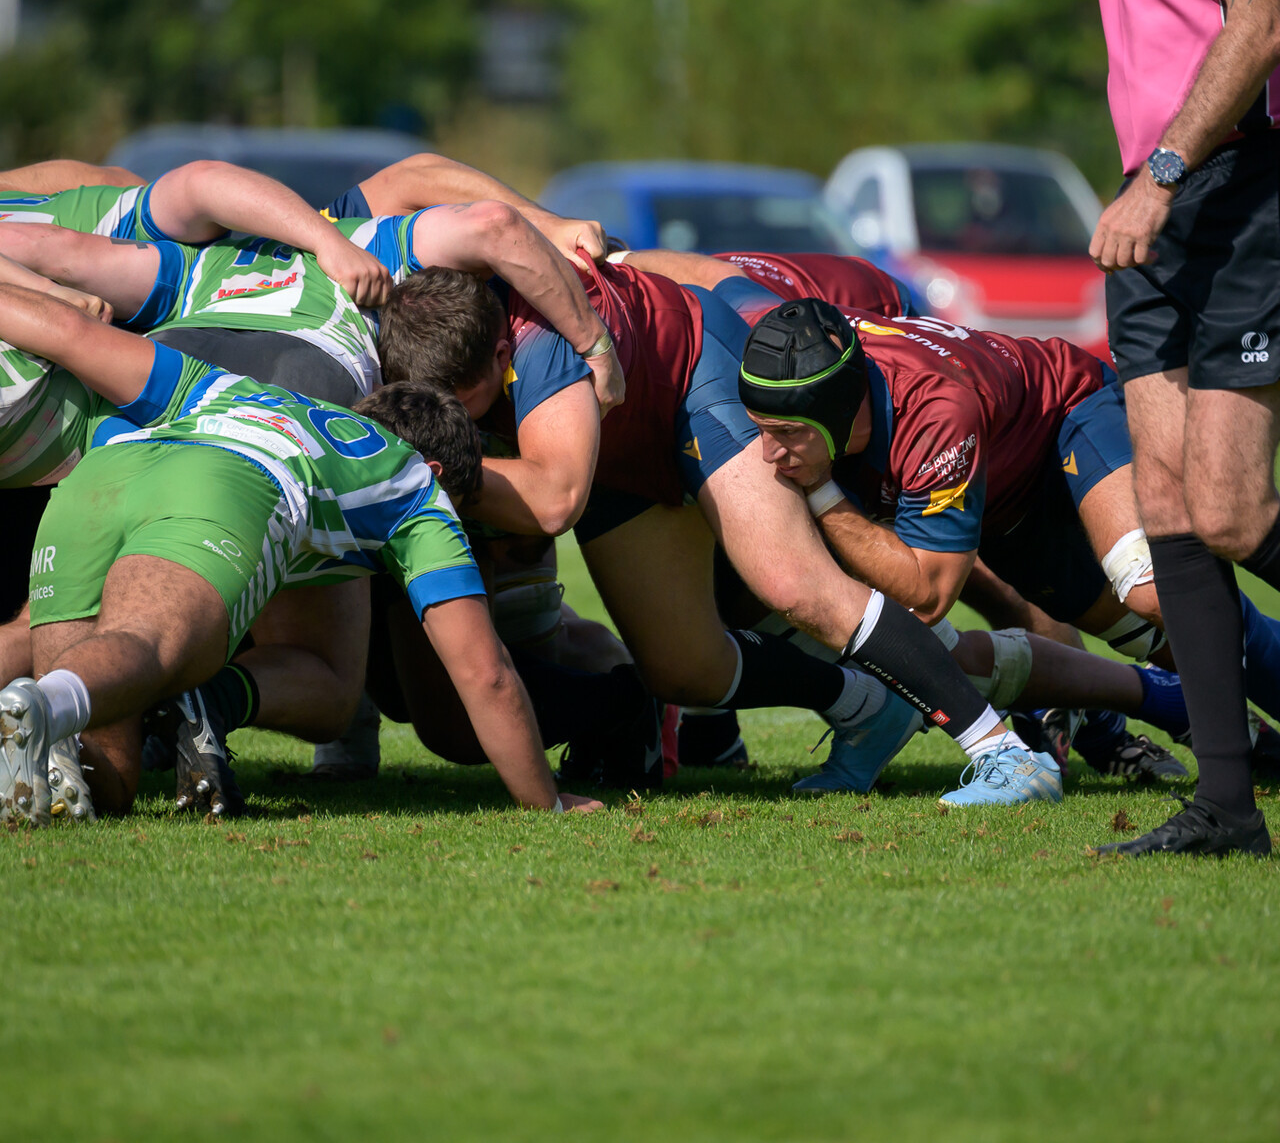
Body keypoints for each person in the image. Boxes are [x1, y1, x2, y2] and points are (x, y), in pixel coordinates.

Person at [378, 258, 1066, 807]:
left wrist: (417, 471)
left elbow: (554, 501)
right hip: (621, 449)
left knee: (795, 586)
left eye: (461, 403)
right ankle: (868, 706)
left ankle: (1004, 753)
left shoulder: (539, 347)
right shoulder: (427, 307)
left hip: (690, 379)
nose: (453, 419)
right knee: (683, 669)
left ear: (500, 351)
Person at [0, 281, 601, 825]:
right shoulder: (417, 485)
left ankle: (36, 719)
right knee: (148, 645)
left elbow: (74, 331)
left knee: (104, 782)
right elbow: (485, 673)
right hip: (219, 489)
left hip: (95, 483)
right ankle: (40, 703)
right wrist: (546, 800)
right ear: (440, 471)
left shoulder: (245, 390)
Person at [735, 300, 1280, 788]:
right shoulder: (779, 350)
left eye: (786, 433)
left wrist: (822, 490)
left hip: (1067, 410)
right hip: (1005, 508)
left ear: (837, 407)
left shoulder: (933, 410)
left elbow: (928, 595)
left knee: (1150, 588)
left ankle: (1198, 761)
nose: (768, 454)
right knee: (1157, 640)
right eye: (761, 428)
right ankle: (1241, 739)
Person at [1087, 0, 1280, 856]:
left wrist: (1162, 175)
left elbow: (1263, 19)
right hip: (1152, 197)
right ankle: (1225, 808)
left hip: (1232, 185)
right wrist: (1149, 183)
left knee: (1230, 512)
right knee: (1166, 507)